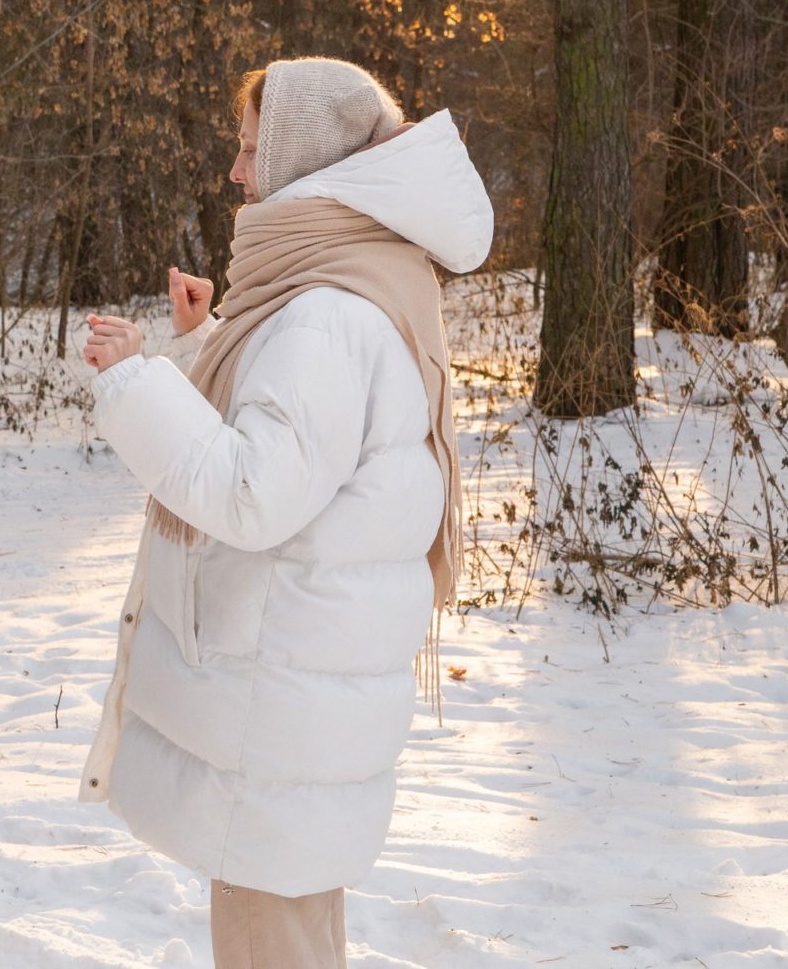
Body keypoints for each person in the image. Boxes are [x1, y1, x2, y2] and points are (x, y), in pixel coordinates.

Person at [80, 57, 493, 968]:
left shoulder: (327, 315)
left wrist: (135, 386)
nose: (236, 171)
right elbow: (307, 446)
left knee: (273, 944)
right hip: (302, 707)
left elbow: (253, 493)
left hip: (282, 707)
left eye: (251, 148)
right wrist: (212, 343)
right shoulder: (354, 281)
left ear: (304, 159)